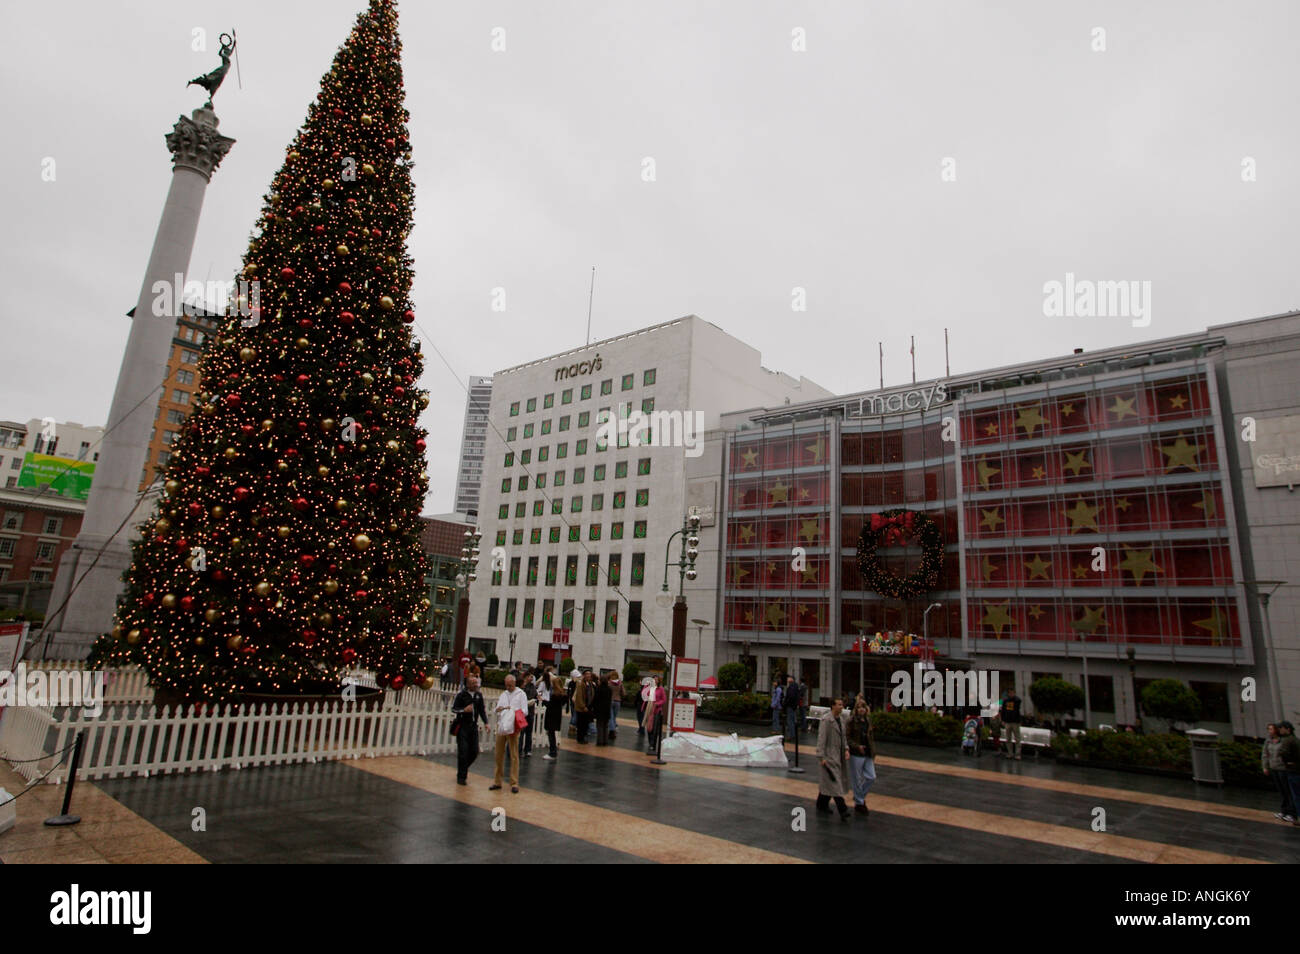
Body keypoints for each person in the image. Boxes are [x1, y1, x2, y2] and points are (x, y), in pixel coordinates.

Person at [491, 674, 528, 793]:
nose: (508, 687)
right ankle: (497, 781)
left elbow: (525, 711)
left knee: (514, 754)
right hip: (502, 725)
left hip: (513, 726)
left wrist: (512, 711)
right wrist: (500, 709)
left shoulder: (521, 694)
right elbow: (497, 708)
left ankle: (514, 782)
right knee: (498, 753)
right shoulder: (504, 694)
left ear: (515, 683)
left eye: (510, 685)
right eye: (507, 685)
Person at [816, 696, 852, 819]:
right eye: (839, 704)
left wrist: (846, 748)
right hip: (829, 756)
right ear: (833, 706)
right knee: (835, 782)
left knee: (829, 782)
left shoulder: (841, 719)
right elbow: (822, 738)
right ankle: (843, 809)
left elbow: (843, 737)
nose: (841, 707)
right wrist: (821, 756)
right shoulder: (826, 720)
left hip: (839, 754)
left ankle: (821, 803)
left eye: (842, 704)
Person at [452, 674, 488, 785]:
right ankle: (461, 777)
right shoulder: (461, 695)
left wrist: (486, 722)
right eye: (473, 683)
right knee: (463, 751)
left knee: (474, 751)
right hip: (463, 725)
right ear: (468, 684)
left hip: (473, 726)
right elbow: (454, 709)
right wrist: (464, 710)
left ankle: (463, 768)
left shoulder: (478, 695)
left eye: (476, 683)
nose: (475, 685)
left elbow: (482, 710)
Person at [846, 698, 876, 815]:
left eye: (863, 707)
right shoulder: (852, 721)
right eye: (859, 707)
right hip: (856, 754)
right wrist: (857, 746)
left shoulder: (868, 720)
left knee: (871, 776)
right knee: (856, 779)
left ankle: (859, 797)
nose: (861, 709)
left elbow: (871, 738)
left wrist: (873, 751)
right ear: (856, 709)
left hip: (867, 753)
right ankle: (860, 802)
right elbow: (847, 738)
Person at [1262, 723, 1294, 821]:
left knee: (1287, 790)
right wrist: (1265, 766)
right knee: (1281, 790)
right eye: (1268, 729)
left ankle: (1291, 812)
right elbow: (1265, 754)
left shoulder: (1283, 740)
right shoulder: (1268, 741)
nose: (1270, 731)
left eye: (1271, 729)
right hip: (1274, 767)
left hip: (1283, 768)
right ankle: (1284, 810)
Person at [1278, 721, 1300, 826]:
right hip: (1295, 769)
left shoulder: (1288, 740)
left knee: (1295, 794)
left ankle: (1296, 816)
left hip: (1293, 771)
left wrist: (1288, 762)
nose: (1280, 730)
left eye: (1282, 728)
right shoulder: (1295, 740)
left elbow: (1282, 752)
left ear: (1288, 729)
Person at [543, 674, 567, 760]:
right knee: (552, 734)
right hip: (556, 716)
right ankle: (553, 752)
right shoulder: (562, 694)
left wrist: (543, 701)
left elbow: (550, 705)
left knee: (551, 734)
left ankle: (552, 753)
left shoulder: (554, 695)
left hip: (551, 716)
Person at [643, 676, 666, 753]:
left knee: (655, 728)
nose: (655, 680)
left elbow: (664, 699)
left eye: (656, 679)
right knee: (649, 728)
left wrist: (657, 704)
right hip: (649, 710)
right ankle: (650, 743)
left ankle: (653, 744)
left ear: (659, 681)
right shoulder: (650, 688)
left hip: (657, 711)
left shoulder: (661, 689)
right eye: (653, 679)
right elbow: (644, 694)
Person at [999, 688, 1023, 760]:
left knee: (1017, 738)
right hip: (1007, 722)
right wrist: (1003, 720)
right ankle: (1010, 753)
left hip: (1015, 722)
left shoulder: (1017, 700)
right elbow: (1003, 711)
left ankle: (1017, 754)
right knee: (1008, 738)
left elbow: (1017, 708)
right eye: (1010, 693)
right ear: (1008, 693)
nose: (1011, 694)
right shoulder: (1005, 701)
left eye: (1013, 693)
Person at [573, 670, 594, 743]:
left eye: (589, 674)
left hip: (588, 707)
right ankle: (580, 738)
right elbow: (579, 696)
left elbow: (592, 694)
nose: (588, 676)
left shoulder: (590, 684)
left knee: (586, 723)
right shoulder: (581, 684)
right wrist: (583, 706)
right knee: (581, 723)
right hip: (582, 708)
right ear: (584, 675)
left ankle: (583, 737)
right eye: (587, 674)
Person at [520, 672, 538, 757]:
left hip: (530, 712)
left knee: (529, 732)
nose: (531, 679)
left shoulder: (532, 687)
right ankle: (519, 749)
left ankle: (528, 749)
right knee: (521, 732)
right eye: (530, 677)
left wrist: (534, 699)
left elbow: (535, 695)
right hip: (523, 713)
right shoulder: (522, 686)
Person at [594, 673, 613, 746]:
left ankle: (599, 741)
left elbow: (596, 699)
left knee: (599, 726)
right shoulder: (609, 689)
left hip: (599, 710)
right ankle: (605, 741)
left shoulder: (598, 689)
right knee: (605, 726)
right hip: (607, 709)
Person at [781, 675, 800, 741]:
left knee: (790, 721)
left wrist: (785, 703)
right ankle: (793, 734)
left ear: (792, 679)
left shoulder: (791, 687)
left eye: (788, 678)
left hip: (790, 706)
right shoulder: (795, 686)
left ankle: (791, 735)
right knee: (793, 720)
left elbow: (790, 697)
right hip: (793, 706)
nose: (787, 679)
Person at [608, 670, 622, 739]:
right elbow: (624, 693)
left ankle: (612, 730)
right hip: (618, 701)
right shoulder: (620, 683)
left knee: (611, 717)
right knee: (614, 717)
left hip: (610, 701)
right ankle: (613, 728)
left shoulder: (609, 683)